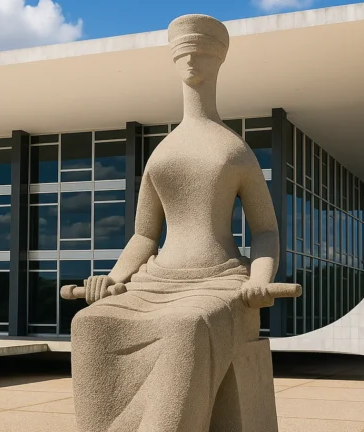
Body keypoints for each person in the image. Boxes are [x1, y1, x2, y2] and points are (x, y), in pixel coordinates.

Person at [66, 14, 291, 432]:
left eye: (201, 53)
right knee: (90, 324)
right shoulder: (162, 152)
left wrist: (259, 279)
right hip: (155, 280)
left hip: (218, 280)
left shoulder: (235, 150)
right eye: (184, 54)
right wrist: (113, 277)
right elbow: (144, 234)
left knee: (186, 326)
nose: (191, 61)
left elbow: (265, 230)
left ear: (219, 62)